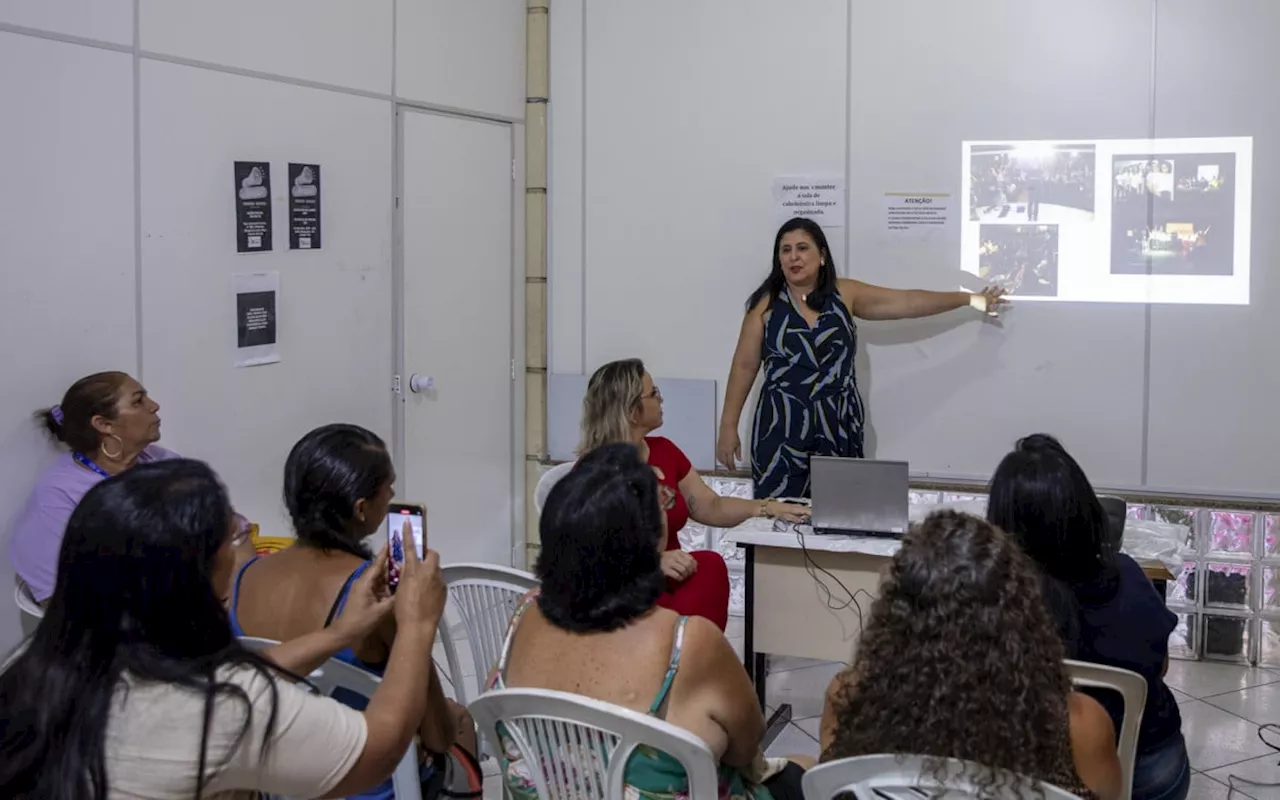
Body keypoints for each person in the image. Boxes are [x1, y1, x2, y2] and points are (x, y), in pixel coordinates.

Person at [0, 458, 449, 799]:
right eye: (230, 539)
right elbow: (377, 751)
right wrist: (416, 623)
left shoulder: (35, 665)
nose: (239, 549)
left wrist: (338, 634)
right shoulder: (225, 707)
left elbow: (219, 671)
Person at [490, 443, 809, 799]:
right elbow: (746, 745)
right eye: (664, 504)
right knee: (806, 768)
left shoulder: (523, 614)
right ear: (648, 539)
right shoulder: (687, 641)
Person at [229, 423, 479, 799]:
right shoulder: (375, 597)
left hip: (276, 780)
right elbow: (438, 736)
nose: (394, 495)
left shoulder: (244, 576)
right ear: (361, 508)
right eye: (388, 488)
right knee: (459, 722)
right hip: (362, 781)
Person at [819, 510, 1121, 800]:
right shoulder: (1079, 728)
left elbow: (832, 788)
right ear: (1021, 613)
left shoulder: (849, 701)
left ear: (893, 615)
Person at [716, 218, 1007, 499]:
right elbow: (744, 366)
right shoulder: (765, 305)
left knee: (841, 516)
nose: (794, 257)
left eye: (802, 248)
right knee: (778, 524)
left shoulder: (845, 293)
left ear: (822, 256)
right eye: (786, 249)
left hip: (839, 426)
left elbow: (907, 302)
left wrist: (970, 299)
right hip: (781, 431)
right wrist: (728, 426)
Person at [988, 434, 1189, 800]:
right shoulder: (1130, 576)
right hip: (1153, 768)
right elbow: (1158, 669)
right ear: (1084, 509)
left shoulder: (996, 602)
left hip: (1042, 775)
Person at [581, 359, 809, 631]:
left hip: (671, 577)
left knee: (709, 565)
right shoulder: (593, 471)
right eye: (653, 393)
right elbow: (593, 555)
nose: (661, 398)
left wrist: (768, 507)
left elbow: (710, 505)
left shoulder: (664, 450)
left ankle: (693, 663)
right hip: (625, 588)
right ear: (632, 411)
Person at [10, 371, 252, 603]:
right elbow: (63, 599)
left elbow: (232, 529)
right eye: (138, 401)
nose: (154, 405)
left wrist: (238, 588)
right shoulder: (58, 496)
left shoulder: (161, 462)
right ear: (104, 424)